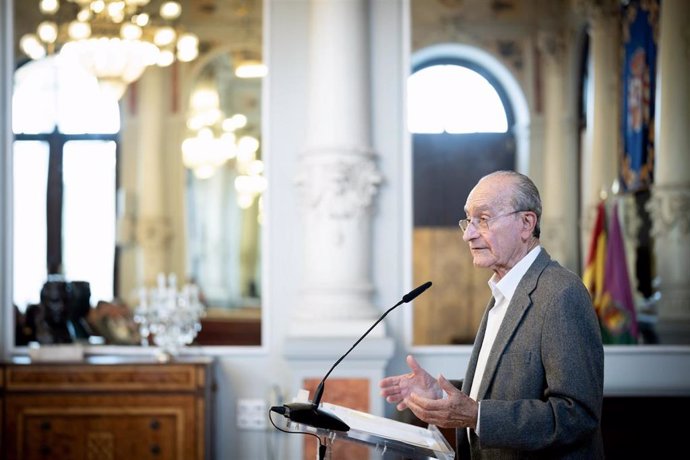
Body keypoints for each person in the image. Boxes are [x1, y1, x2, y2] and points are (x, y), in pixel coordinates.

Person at [379, 170, 604, 459]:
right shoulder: (504, 291)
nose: (467, 234)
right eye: (468, 220)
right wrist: (441, 395)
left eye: (483, 219)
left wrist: (476, 415)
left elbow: (577, 416)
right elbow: (505, 387)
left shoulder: (561, 294)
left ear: (526, 223)